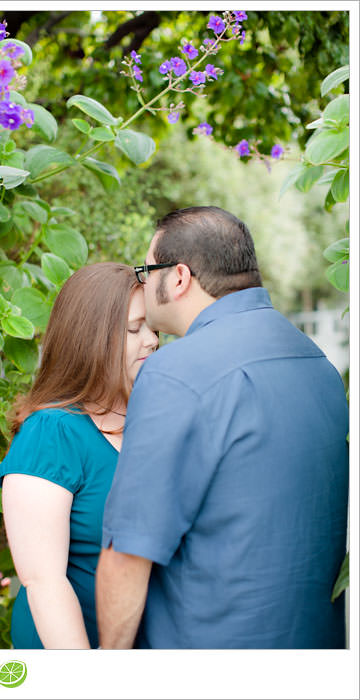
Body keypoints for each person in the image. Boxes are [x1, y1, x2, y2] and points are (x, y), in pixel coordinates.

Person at [96, 206, 349, 649]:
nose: (143, 282)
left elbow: (129, 554)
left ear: (178, 277)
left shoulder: (175, 372)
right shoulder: (318, 365)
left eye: (146, 270)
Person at [0, 263, 159, 648]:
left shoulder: (152, 418)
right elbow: (43, 580)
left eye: (153, 327)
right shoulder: (52, 432)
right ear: (91, 338)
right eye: (135, 329)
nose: (151, 340)